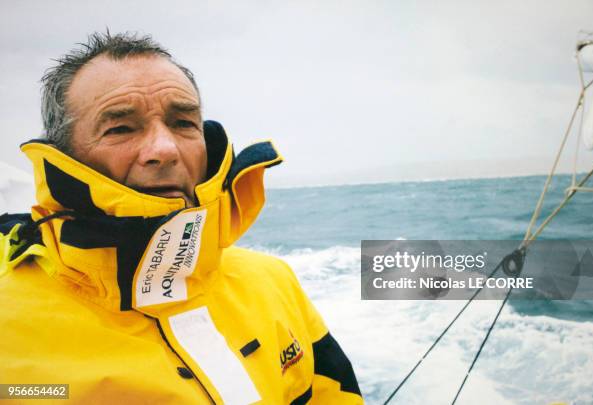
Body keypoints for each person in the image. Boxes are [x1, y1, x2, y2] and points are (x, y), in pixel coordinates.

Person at [0, 31, 362, 404]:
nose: (165, 149)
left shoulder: (273, 281)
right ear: (64, 156)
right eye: (121, 128)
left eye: (183, 123)